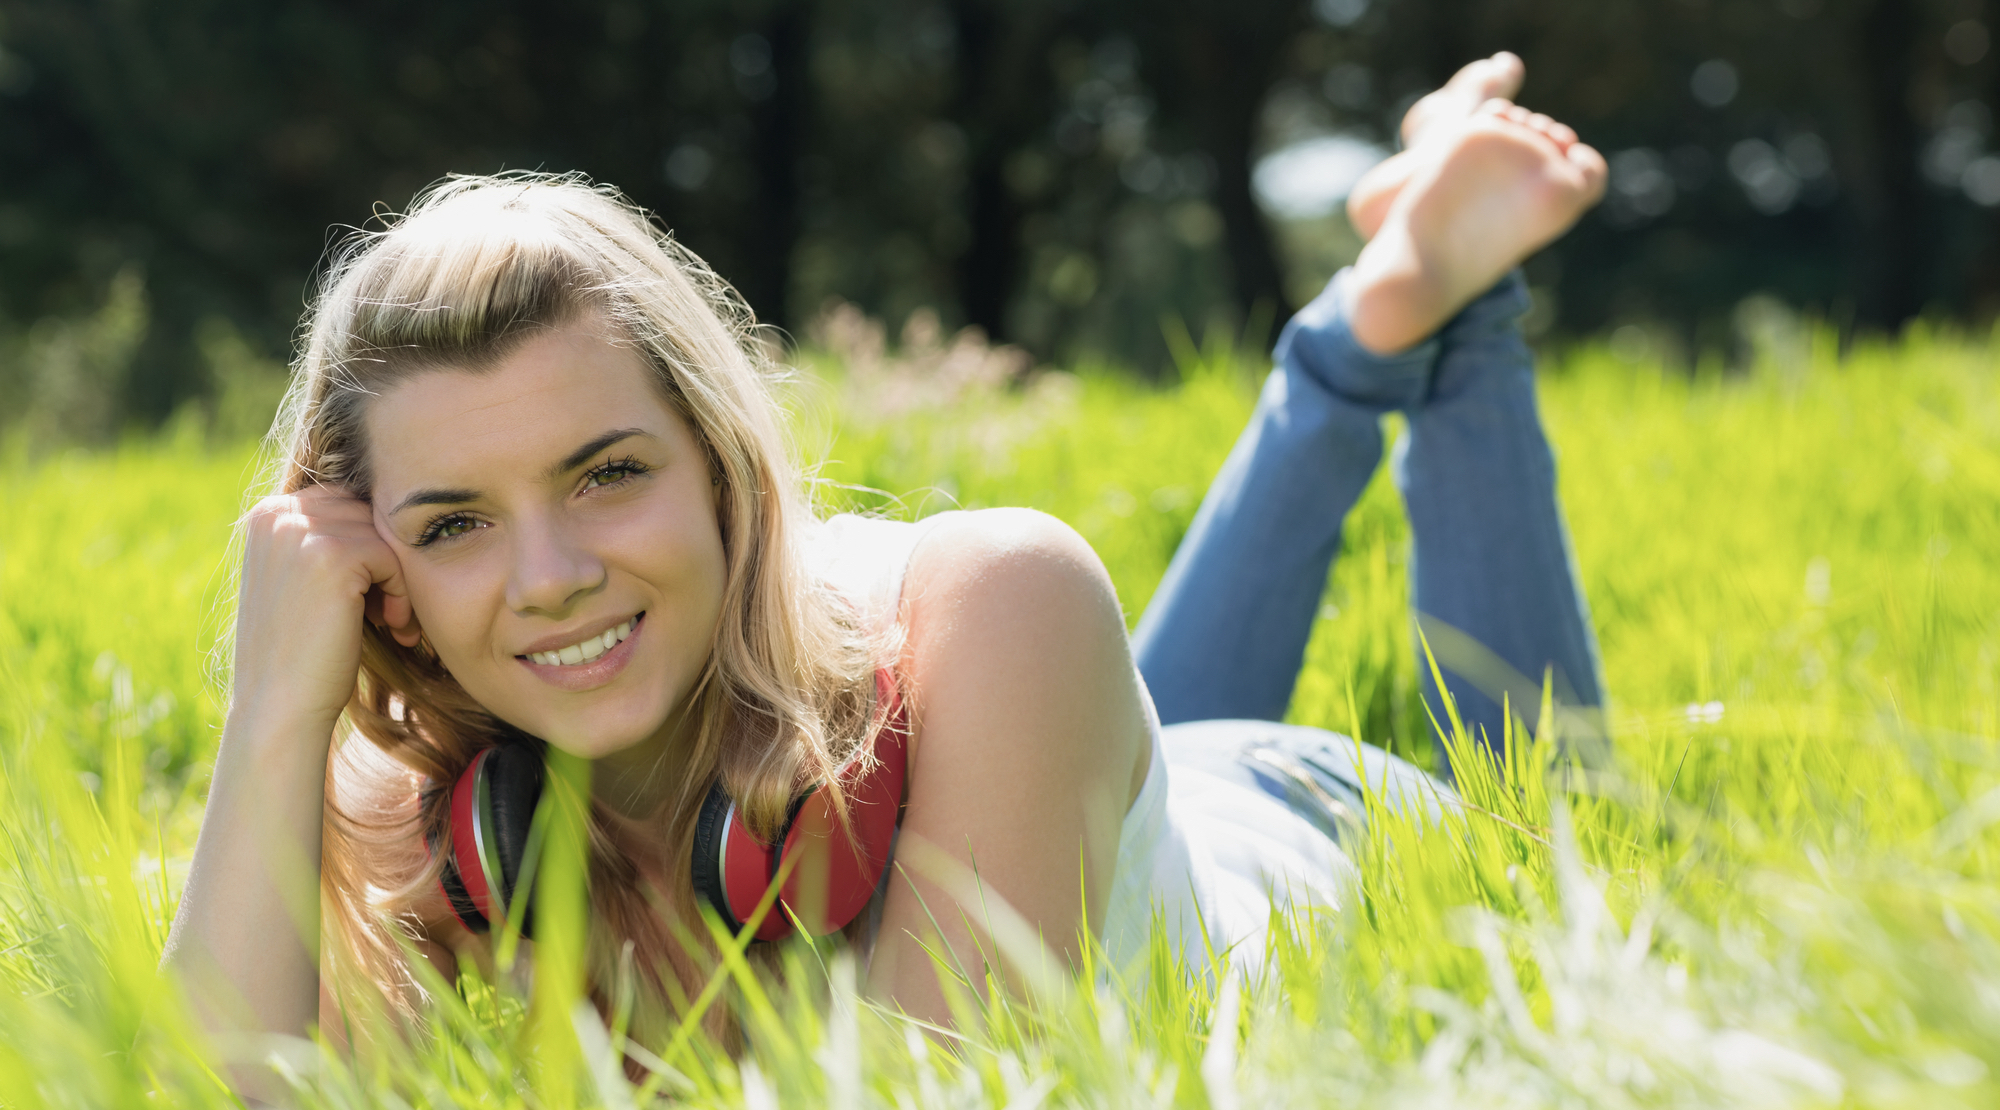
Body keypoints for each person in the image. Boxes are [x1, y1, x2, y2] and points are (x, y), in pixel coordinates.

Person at [160, 51, 1607, 1092]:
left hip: (1295, 830)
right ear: (383, 577)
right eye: (455, 521)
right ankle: (1377, 310)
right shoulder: (429, 811)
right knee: (1101, 736)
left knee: (1558, 829)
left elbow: (929, 1086)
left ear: (725, 464)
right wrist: (276, 714)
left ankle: (1446, 305)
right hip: (1067, 791)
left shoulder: (997, 596)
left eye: (609, 473)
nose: (546, 576)